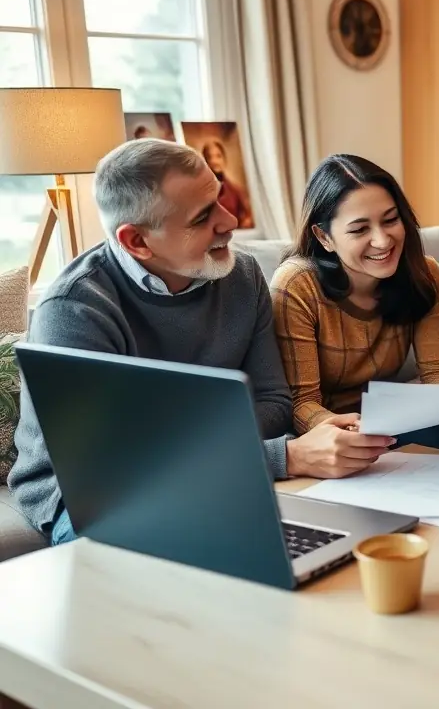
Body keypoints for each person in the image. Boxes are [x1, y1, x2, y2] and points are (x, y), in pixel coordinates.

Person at [8, 139, 394, 546]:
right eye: (202, 217)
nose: (230, 222)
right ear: (137, 241)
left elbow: (275, 404)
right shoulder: (75, 310)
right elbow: (115, 465)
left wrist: (177, 443)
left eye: (220, 199)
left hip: (210, 476)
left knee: (347, 546)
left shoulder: (242, 274)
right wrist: (286, 455)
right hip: (92, 498)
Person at [270, 154, 439, 463]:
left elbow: (436, 371)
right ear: (324, 237)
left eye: (390, 220)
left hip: (389, 419)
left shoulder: (424, 274)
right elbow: (301, 402)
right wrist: (350, 429)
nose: (383, 240)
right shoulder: (297, 285)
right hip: (328, 429)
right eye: (359, 229)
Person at [202, 140, 254, 229]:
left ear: (224, 159)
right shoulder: (201, 192)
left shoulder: (236, 190)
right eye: (209, 157)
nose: (214, 161)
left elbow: (249, 216)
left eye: (218, 156)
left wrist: (245, 223)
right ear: (206, 162)